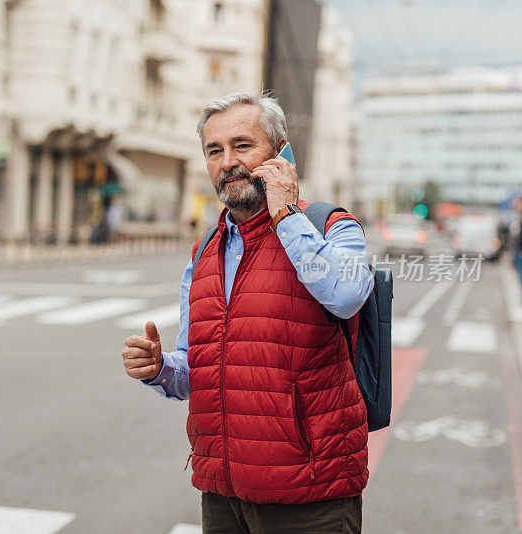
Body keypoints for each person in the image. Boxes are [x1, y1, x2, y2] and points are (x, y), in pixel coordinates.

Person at [121, 92, 374, 533]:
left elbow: (348, 293)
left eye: (242, 145)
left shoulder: (332, 227)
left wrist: (285, 212)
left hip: (309, 492)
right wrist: (160, 368)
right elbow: (195, 369)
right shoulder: (203, 252)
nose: (227, 162)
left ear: (280, 154)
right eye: (214, 151)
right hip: (222, 491)